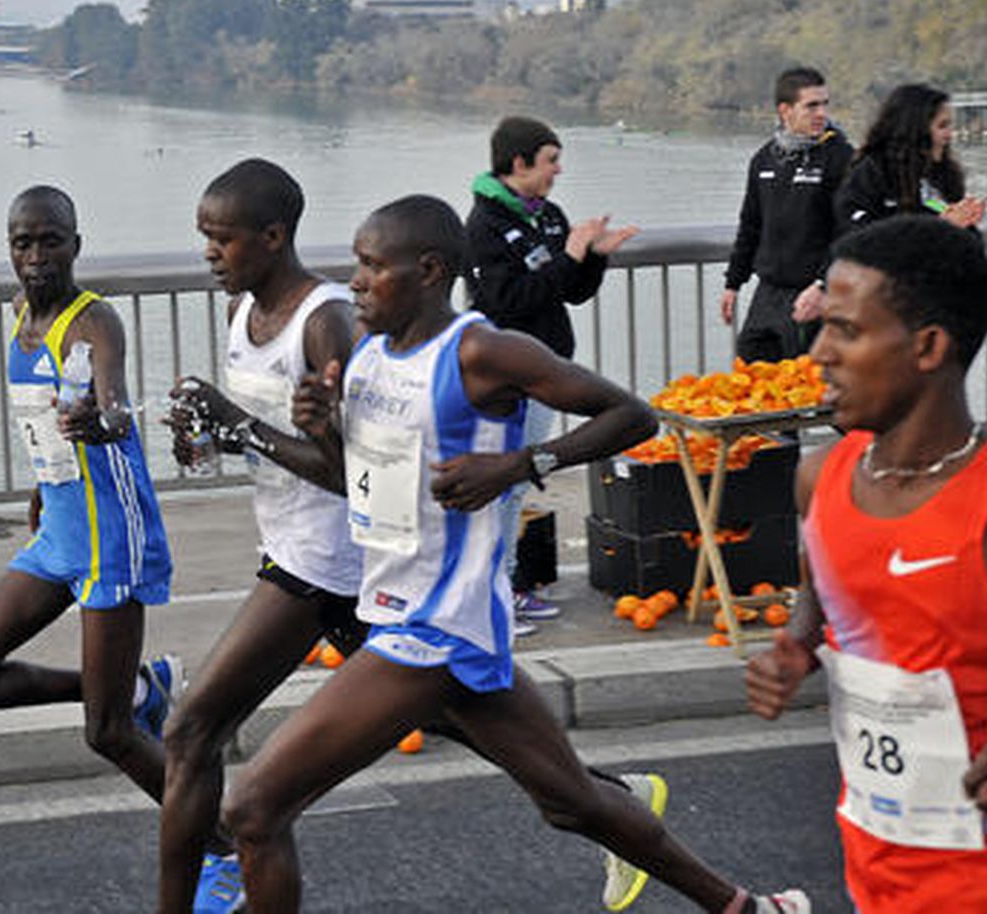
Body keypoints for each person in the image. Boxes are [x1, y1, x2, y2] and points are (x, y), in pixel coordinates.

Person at [223, 194, 810, 914]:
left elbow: (631, 415)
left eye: (374, 267)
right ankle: (747, 908)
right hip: (403, 613)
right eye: (356, 264)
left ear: (430, 271)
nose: (357, 282)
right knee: (571, 802)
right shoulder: (369, 355)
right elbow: (364, 484)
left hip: (435, 627)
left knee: (252, 807)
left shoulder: (481, 352)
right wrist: (324, 432)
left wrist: (521, 465)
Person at [745, 215, 987, 913]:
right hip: (875, 870)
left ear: (927, 347)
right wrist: (798, 645)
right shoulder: (820, 479)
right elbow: (828, 585)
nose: (817, 354)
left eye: (847, 331)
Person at [0, 185, 182, 811]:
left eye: (50, 241)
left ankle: (225, 847)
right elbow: (38, 415)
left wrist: (104, 422)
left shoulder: (93, 320)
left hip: (110, 538)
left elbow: (115, 404)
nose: (37, 255)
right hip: (59, 532)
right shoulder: (21, 312)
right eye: (23, 242)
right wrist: (41, 487)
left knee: (107, 735)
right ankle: (134, 688)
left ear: (76, 246)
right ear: (10, 251)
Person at [157, 158, 361, 914]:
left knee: (190, 731)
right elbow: (254, 440)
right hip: (296, 550)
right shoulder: (244, 312)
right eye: (204, 237)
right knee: (465, 715)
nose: (209, 252)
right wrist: (201, 436)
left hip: (327, 562)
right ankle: (607, 800)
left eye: (223, 239)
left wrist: (236, 422)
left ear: (273, 237)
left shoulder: (327, 322)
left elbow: (347, 472)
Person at [464, 115, 640, 629]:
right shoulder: (484, 226)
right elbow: (506, 301)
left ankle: (508, 586)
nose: (559, 171)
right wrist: (568, 256)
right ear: (519, 163)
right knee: (507, 482)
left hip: (548, 370)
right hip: (506, 377)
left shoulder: (549, 214)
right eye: (551, 160)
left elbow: (569, 290)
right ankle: (491, 597)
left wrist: (594, 259)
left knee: (520, 482)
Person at [721, 67, 853, 359]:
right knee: (750, 383)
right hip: (767, 294)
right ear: (785, 110)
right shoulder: (763, 159)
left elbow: (850, 233)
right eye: (811, 106)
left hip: (815, 296)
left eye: (824, 104)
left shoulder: (841, 158)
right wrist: (733, 283)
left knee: (810, 393)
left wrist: (822, 286)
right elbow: (751, 225)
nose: (821, 113)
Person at [835, 83, 987, 235]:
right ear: (915, 129)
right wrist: (940, 227)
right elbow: (861, 237)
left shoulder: (945, 174)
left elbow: (954, 232)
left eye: (949, 125)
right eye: (942, 126)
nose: (949, 135)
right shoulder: (871, 173)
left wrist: (967, 222)